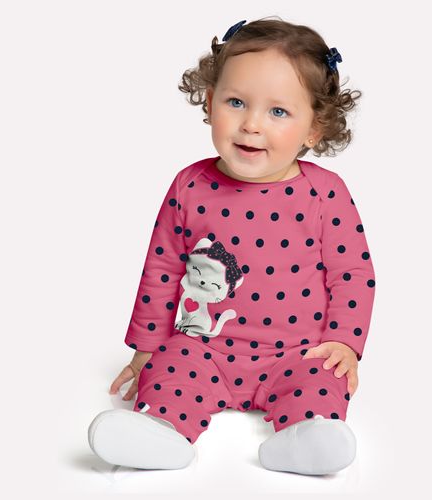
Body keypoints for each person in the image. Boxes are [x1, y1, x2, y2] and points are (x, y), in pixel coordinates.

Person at [88, 16, 376, 476]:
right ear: (210, 101)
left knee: (322, 380)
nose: (251, 125)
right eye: (237, 102)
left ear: (314, 128)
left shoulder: (325, 193)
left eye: (278, 112)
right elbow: (161, 269)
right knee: (169, 367)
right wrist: (146, 348)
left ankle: (308, 438)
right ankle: (159, 432)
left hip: (296, 352)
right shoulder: (190, 185)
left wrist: (343, 341)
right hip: (203, 348)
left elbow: (353, 273)